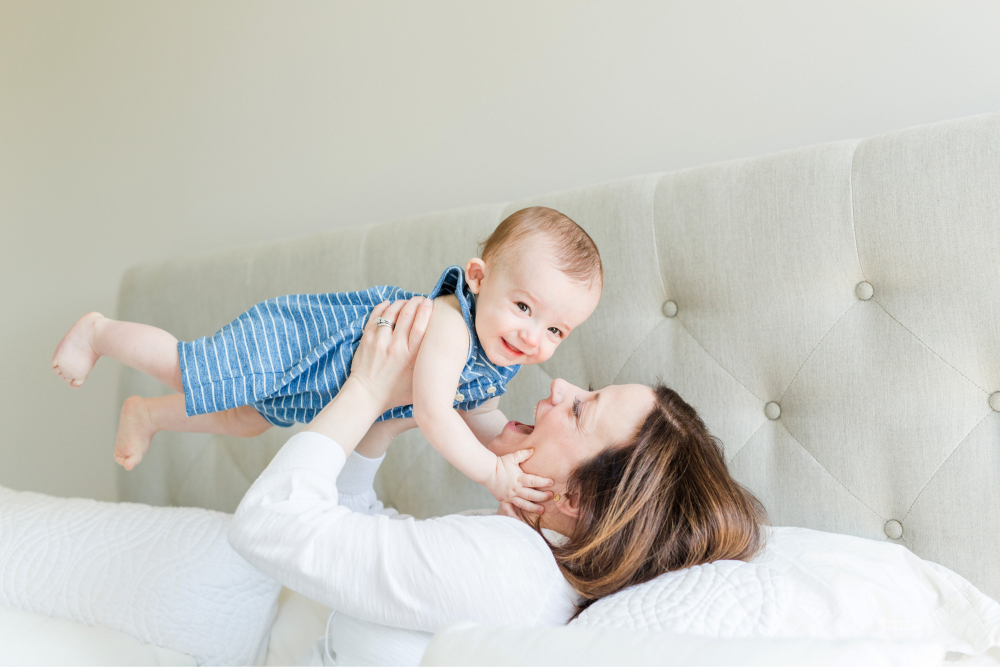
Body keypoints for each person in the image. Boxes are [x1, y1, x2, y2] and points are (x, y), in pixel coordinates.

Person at [227, 296, 767, 665]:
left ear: (574, 499)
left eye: (580, 410)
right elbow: (365, 539)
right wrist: (381, 429)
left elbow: (266, 524)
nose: (559, 386)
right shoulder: (533, 560)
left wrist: (367, 388)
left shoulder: (507, 568)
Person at [50, 207, 602, 510]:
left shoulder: (496, 355)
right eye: (524, 307)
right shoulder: (453, 325)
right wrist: (492, 477)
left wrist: (512, 443)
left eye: (555, 328)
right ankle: (99, 332)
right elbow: (436, 413)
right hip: (296, 343)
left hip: (319, 390)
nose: (533, 337)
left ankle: (147, 415)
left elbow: (476, 414)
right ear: (478, 279)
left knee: (246, 421)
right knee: (186, 367)